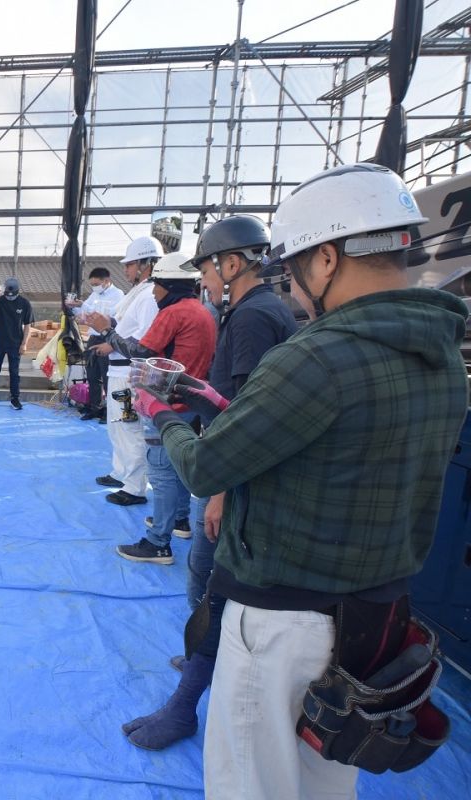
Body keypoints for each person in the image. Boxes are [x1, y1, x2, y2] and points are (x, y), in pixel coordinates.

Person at [135, 164, 465, 798]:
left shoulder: (318, 356)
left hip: (287, 623)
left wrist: (166, 413)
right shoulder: (441, 356)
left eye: (297, 266)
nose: (294, 284)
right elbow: (337, 447)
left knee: (250, 782)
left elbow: (208, 467)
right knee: (322, 781)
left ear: (329, 258)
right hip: (372, 623)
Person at [120, 214, 297, 752]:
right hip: (232, 465)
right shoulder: (249, 312)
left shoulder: (249, 318)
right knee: (210, 577)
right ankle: (204, 662)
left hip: (231, 473)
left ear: (232, 263)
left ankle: (190, 696)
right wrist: (195, 388)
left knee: (212, 579)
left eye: (210, 269)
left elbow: (246, 418)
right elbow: (242, 398)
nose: (207, 281)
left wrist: (218, 486)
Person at [88, 251, 216, 565]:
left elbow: (141, 350)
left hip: (167, 403)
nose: (153, 289)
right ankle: (179, 521)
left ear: (168, 284)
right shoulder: (200, 310)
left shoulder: (173, 313)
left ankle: (158, 541)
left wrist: (108, 331)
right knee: (178, 466)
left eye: (157, 283)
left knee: (161, 472)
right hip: (190, 401)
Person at [89, 235, 163, 505]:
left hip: (129, 374)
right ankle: (121, 472)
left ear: (145, 263)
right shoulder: (138, 293)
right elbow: (124, 329)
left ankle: (134, 487)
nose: (126, 270)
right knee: (117, 426)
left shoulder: (148, 297)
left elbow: (144, 341)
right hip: (118, 371)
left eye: (130, 264)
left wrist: (109, 338)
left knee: (129, 428)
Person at [67, 267, 123, 421]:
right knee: (92, 375)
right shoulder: (94, 295)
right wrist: (75, 309)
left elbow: (106, 317)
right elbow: (86, 314)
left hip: (107, 337)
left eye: (96, 283)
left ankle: (108, 410)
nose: (94, 287)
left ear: (106, 281)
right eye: (92, 284)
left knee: (107, 376)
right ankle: (94, 407)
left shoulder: (118, 295)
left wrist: (84, 305)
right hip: (93, 337)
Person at [0, 276, 34, 410]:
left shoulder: (24, 303)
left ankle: (15, 399)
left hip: (15, 343)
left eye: (13, 295)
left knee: (14, 372)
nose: (10, 297)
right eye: (8, 295)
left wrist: (24, 343)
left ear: (18, 292)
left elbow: (28, 325)